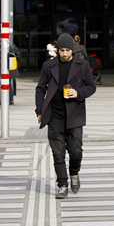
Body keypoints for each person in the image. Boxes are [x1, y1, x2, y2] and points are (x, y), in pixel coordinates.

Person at [35, 33, 96, 199]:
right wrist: (39, 111)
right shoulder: (48, 66)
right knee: (58, 153)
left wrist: (78, 92)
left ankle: (74, 173)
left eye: (67, 50)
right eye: (61, 50)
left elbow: (92, 87)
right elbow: (40, 88)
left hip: (75, 114)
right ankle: (62, 184)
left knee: (76, 151)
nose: (64, 53)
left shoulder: (82, 65)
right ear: (57, 50)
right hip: (54, 116)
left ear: (72, 50)